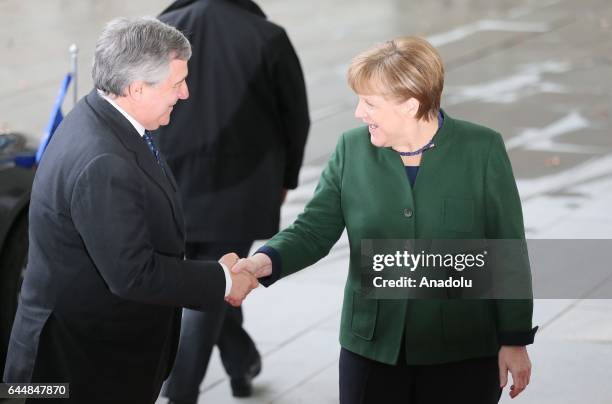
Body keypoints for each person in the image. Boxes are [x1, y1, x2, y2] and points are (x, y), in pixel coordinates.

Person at [232, 36, 538, 404]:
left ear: (410, 104)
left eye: (370, 103)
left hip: (463, 350)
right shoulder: (351, 149)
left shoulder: (482, 149)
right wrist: (261, 262)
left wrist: (514, 339)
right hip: (372, 348)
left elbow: (507, 249)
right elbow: (313, 228)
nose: (360, 113)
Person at [2, 17, 258, 404]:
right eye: (177, 84)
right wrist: (221, 280)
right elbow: (133, 274)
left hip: (91, 358)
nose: (185, 93)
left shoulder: (104, 118)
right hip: (73, 372)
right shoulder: (103, 159)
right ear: (136, 88)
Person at [157, 0, 310, 401]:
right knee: (214, 285)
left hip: (169, 184)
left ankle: (239, 363)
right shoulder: (267, 36)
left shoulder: (160, 29)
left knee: (208, 281)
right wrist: (286, 179)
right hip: (240, 189)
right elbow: (296, 116)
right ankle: (184, 391)